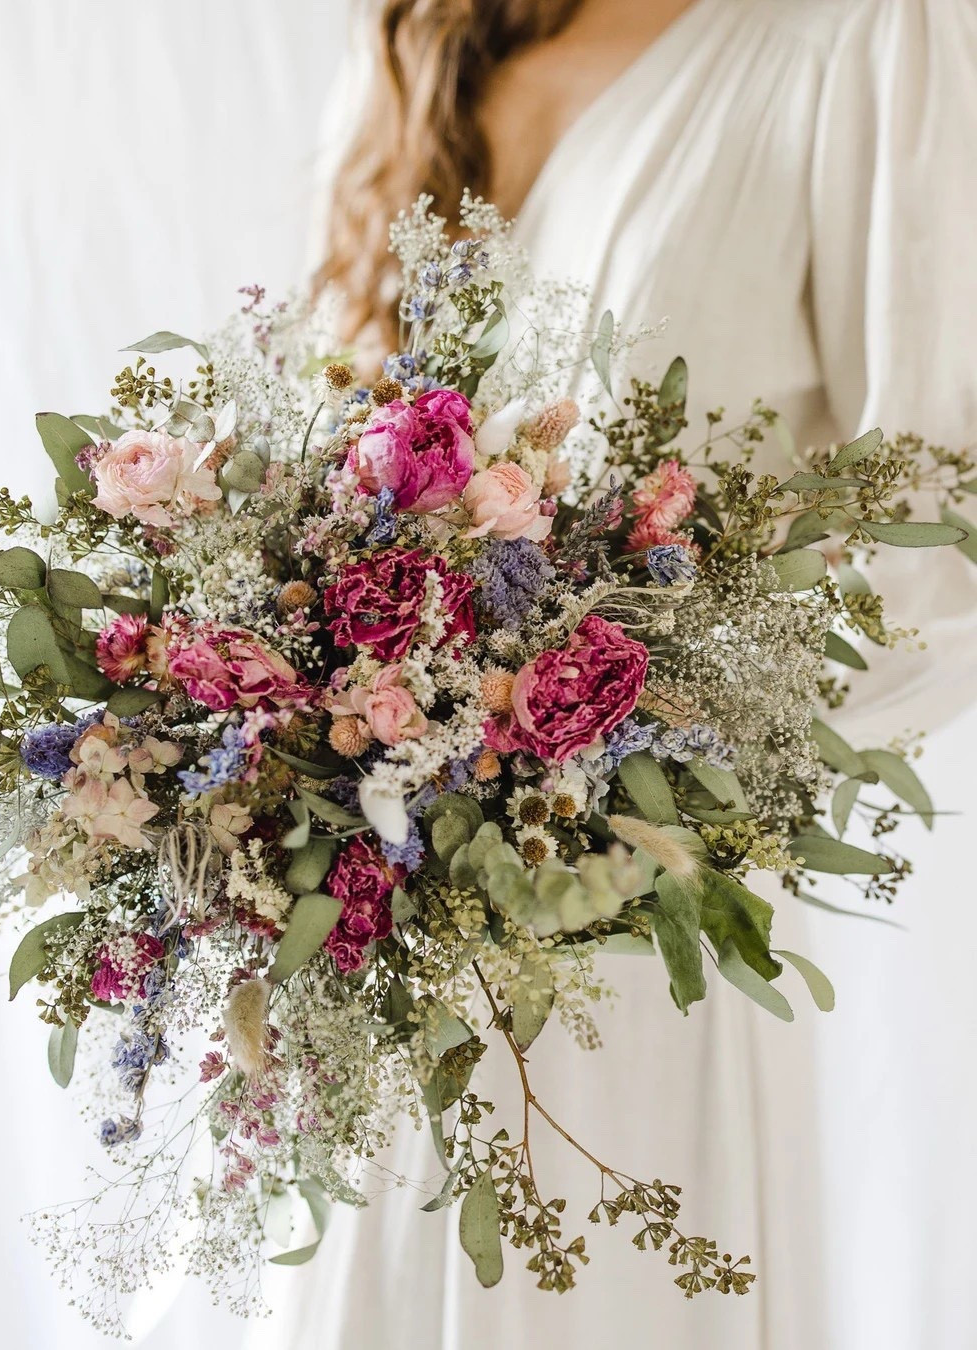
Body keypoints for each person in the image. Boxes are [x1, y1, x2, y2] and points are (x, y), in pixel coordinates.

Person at [266, 2, 977, 1346]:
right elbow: (311, 502)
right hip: (373, 946)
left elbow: (943, 533)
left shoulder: (865, 38)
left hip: (623, 938)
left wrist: (631, 768)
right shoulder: (414, 54)